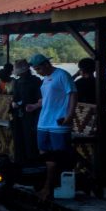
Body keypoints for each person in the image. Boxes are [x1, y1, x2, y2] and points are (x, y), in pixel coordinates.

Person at [25, 53, 77, 202]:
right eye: (35, 70)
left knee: (58, 156)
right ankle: (47, 185)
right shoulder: (45, 79)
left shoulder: (62, 75)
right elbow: (46, 99)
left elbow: (73, 94)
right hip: (43, 121)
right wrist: (35, 106)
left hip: (58, 123)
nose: (37, 72)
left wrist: (70, 115)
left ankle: (52, 187)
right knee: (44, 154)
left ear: (47, 64)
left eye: (39, 69)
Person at [9, 59, 41, 165]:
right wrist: (14, 103)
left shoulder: (35, 81)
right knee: (18, 138)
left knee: (30, 139)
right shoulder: (17, 82)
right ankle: (20, 162)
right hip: (19, 114)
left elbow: (39, 98)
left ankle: (31, 163)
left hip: (31, 114)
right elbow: (15, 97)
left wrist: (32, 106)